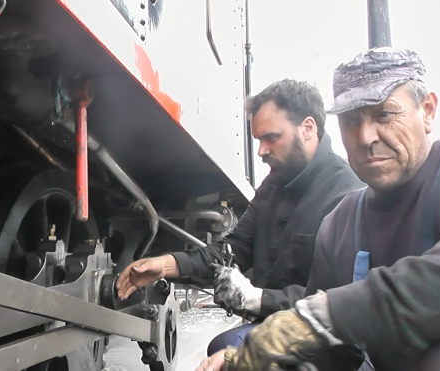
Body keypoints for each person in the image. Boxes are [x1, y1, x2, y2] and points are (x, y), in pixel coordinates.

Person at [196, 47, 440, 371]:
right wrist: (253, 360)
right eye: (350, 121)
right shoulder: (340, 224)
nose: (365, 136)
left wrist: (325, 314)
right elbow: (333, 353)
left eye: (385, 113)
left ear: (427, 110)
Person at [115, 79, 364, 355]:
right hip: (274, 324)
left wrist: (257, 299)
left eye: (272, 138)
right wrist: (168, 265)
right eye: (258, 140)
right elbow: (232, 251)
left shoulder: (347, 195)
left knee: (226, 350)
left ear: (307, 128)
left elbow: (339, 302)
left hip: (324, 340)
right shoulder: (273, 186)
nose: (261, 151)